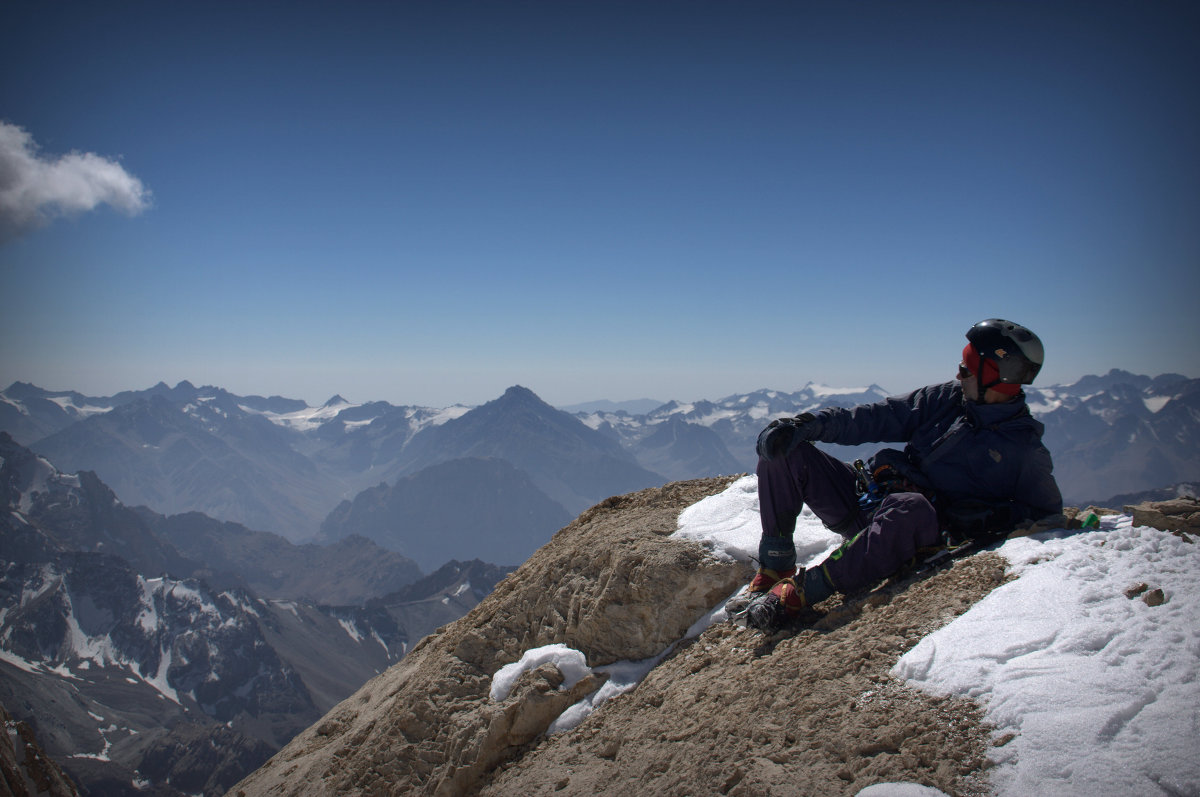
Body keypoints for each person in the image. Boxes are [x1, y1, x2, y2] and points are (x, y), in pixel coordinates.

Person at [731, 318, 1063, 631]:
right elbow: (878, 417)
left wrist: (986, 517)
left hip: (907, 528)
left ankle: (801, 592)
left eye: (966, 369)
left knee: (910, 507)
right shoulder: (947, 399)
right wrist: (807, 426)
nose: (959, 375)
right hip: (868, 499)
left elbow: (1047, 513)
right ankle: (776, 566)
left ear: (993, 375)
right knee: (785, 452)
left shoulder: (1023, 449)